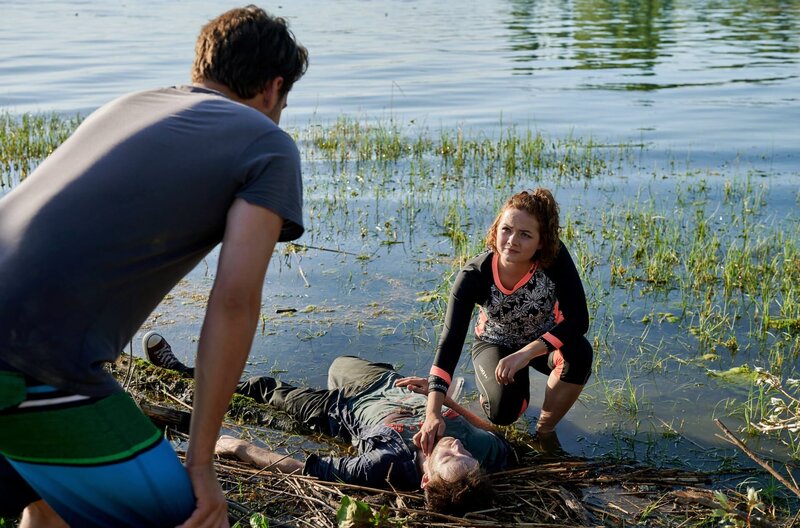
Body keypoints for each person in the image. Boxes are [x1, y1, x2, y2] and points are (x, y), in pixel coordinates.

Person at [0, 6, 308, 527]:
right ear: (274, 89)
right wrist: (202, 462)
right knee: (191, 515)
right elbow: (234, 301)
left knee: (46, 494)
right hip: (33, 365)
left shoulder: (127, 105)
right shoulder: (267, 144)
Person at [143, 333, 510, 515]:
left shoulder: (386, 464)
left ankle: (180, 370)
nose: (455, 446)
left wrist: (237, 446)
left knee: (266, 389)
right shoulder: (480, 455)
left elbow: (306, 468)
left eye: (449, 456)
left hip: (343, 405)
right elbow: (500, 437)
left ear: (426, 479)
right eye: (462, 449)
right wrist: (445, 400)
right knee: (338, 361)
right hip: (387, 381)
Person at [417, 189, 593, 456]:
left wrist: (526, 353)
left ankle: (544, 433)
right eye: (506, 229)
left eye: (525, 234)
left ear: (541, 242)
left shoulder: (554, 260)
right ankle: (492, 395)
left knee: (579, 354)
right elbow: (449, 345)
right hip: (494, 342)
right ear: (496, 229)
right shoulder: (474, 276)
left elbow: (579, 320)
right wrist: (433, 413)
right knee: (503, 412)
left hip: (542, 343)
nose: (512, 240)